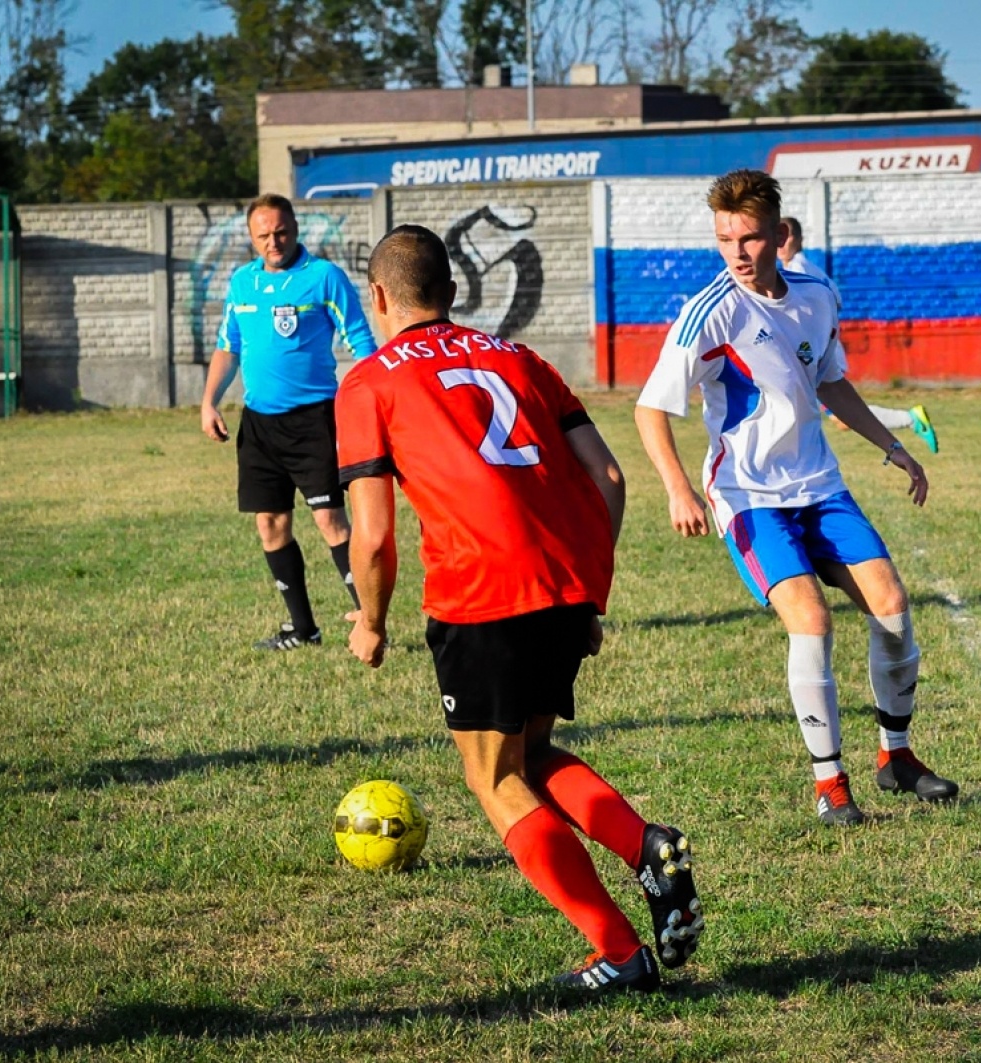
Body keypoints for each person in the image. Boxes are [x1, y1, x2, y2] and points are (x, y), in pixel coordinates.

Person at [337, 224, 703, 995]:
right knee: (531, 755)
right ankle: (646, 843)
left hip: (481, 593)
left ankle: (618, 947)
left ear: (377, 296)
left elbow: (372, 536)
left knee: (494, 777)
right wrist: (589, 595)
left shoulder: (368, 382)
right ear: (454, 290)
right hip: (563, 581)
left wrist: (369, 620)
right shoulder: (521, 358)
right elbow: (609, 476)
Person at [636, 170, 959, 827]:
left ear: (779, 235)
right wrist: (677, 488)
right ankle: (829, 783)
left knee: (893, 606)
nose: (736, 252)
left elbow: (832, 382)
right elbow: (649, 408)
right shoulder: (711, 310)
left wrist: (890, 446)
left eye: (749, 237)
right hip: (749, 496)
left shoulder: (817, 293)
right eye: (724, 238)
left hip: (820, 485)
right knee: (812, 620)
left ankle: (895, 757)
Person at [200, 194, 377, 650]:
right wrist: (209, 402)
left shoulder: (322, 278)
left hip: (314, 420)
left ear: (295, 229)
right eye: (264, 235)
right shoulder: (242, 284)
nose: (273, 242)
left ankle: (370, 621)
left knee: (330, 521)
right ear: (251, 237)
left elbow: (360, 340)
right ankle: (303, 629)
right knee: (270, 524)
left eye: (280, 232)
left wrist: (374, 398)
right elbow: (228, 346)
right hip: (259, 426)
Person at [777, 215, 939, 455]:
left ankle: (912, 419)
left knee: (835, 412)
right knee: (837, 417)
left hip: (818, 351)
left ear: (796, 238)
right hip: (822, 348)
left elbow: (818, 307)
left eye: (785, 236)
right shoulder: (808, 267)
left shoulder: (799, 270)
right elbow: (837, 300)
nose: (779, 244)